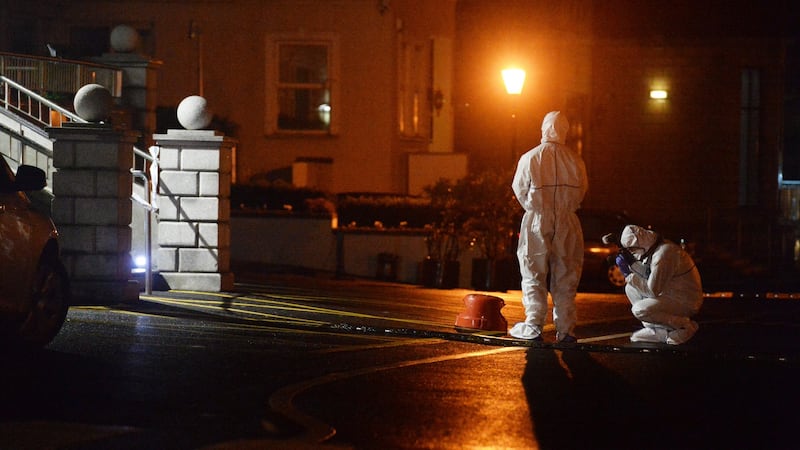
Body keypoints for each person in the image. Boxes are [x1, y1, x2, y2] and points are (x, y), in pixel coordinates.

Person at [509, 111, 588, 342]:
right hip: (567, 221)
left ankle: (534, 324)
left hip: (537, 219)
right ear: (565, 130)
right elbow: (582, 191)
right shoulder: (575, 160)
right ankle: (565, 329)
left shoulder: (530, 157)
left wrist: (534, 207)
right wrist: (564, 208)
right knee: (566, 273)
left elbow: (519, 188)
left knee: (532, 270)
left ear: (544, 128)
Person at [615, 224, 703, 344]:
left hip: (686, 300)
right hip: (671, 293)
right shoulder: (654, 249)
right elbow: (647, 274)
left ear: (640, 243)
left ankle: (683, 326)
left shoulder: (664, 254)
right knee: (630, 289)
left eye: (632, 249)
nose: (632, 253)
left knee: (639, 310)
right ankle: (657, 331)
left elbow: (652, 291)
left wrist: (629, 274)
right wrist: (632, 264)